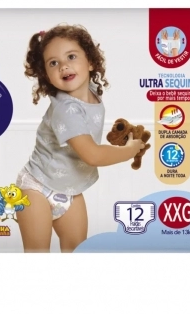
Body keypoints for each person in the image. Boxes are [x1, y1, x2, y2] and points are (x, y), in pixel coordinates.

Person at [16, 24, 146, 253]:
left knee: (77, 250)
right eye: (53, 63)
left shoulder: (91, 90)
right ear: (46, 75)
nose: (63, 66)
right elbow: (92, 155)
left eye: (71, 57)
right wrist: (130, 150)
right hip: (36, 187)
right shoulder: (66, 109)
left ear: (91, 62)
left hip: (69, 189)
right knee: (37, 253)